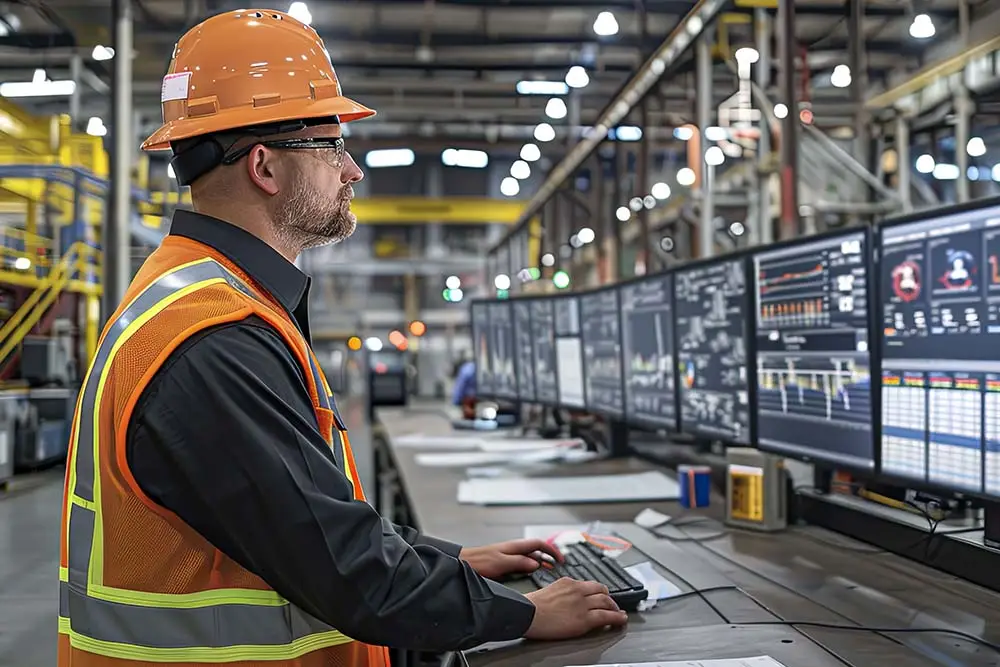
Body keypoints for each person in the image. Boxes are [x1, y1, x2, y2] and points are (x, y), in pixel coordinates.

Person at [57, 9, 627, 667]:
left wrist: (448, 559)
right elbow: (349, 571)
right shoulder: (209, 338)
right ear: (265, 167)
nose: (351, 172)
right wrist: (523, 612)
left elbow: (307, 517)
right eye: (332, 149)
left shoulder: (213, 299)